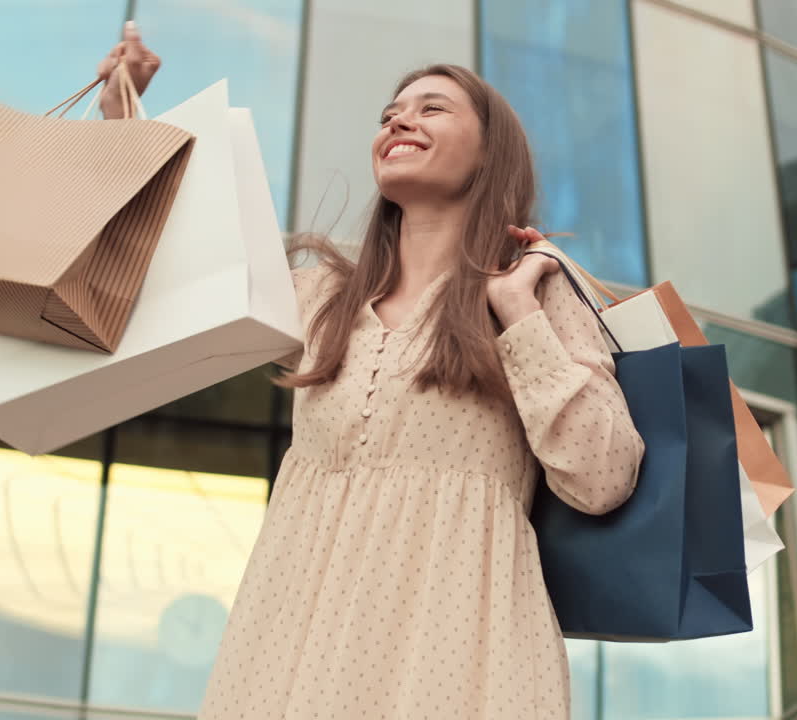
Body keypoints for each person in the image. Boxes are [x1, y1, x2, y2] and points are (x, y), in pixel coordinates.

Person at [98, 20, 644, 719]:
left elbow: (603, 477)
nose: (399, 121)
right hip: (292, 641)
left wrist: (516, 310)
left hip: (458, 652)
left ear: (489, 154)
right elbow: (183, 269)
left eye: (431, 108)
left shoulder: (534, 290)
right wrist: (126, 127)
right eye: (390, 114)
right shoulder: (322, 298)